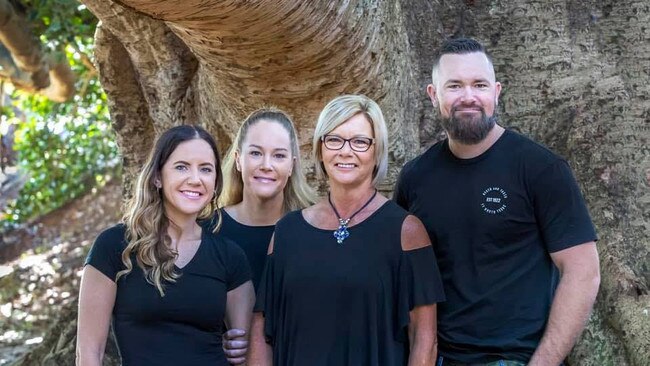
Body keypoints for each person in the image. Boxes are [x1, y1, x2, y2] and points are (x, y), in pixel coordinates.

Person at [394, 38, 600, 365]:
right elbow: (405, 280)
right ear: (433, 95)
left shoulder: (540, 169)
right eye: (454, 86)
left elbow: (583, 271)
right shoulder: (415, 179)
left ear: (497, 92)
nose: (468, 97)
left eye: (479, 85)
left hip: (516, 358)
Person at [250, 94, 446, 366]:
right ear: (320, 149)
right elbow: (261, 332)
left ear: (377, 152)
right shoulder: (286, 233)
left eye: (360, 142)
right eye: (334, 139)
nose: (345, 151)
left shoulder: (406, 232)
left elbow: (425, 340)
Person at [76, 125, 255, 366]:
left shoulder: (230, 256)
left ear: (215, 182)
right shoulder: (114, 247)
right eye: (181, 167)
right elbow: (88, 354)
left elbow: (244, 351)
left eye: (206, 169)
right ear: (157, 177)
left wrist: (239, 347)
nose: (195, 179)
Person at [213, 108, 316, 364]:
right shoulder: (207, 231)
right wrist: (217, 337)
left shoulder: (313, 232)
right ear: (238, 160)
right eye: (256, 153)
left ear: (292, 165)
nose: (266, 165)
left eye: (278, 155)